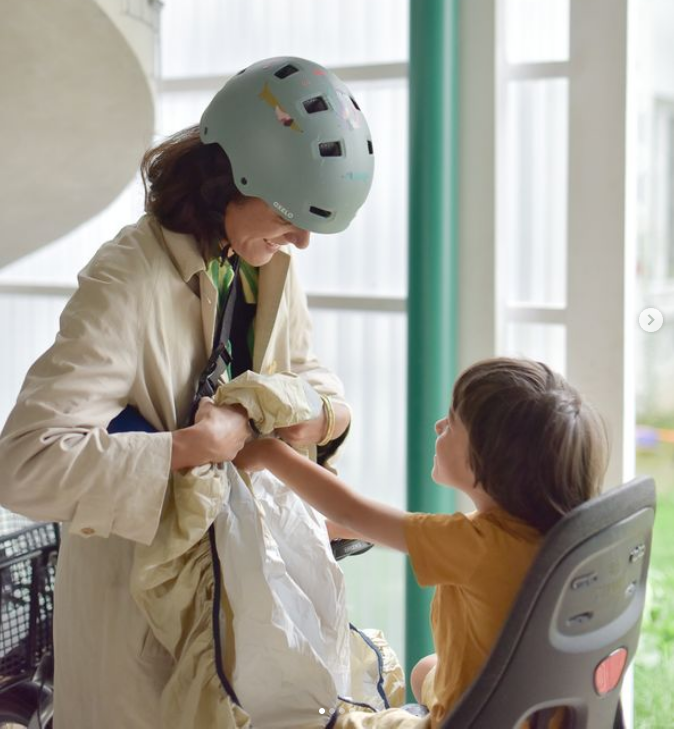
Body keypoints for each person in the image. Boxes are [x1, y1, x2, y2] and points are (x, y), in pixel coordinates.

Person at [0, 56, 375, 729]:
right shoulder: (127, 278)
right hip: (136, 638)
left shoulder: (266, 261)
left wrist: (321, 415)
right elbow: (25, 461)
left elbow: (310, 372)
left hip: (237, 619)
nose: (304, 241)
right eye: (291, 215)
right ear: (233, 178)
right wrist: (190, 446)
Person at [232, 357, 609, 728]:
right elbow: (383, 528)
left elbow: (350, 510)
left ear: (489, 462)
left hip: (473, 720)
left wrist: (269, 452)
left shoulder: (477, 547)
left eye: (453, 423)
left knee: (307, 719)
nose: (438, 425)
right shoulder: (551, 536)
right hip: (538, 713)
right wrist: (355, 530)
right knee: (426, 670)